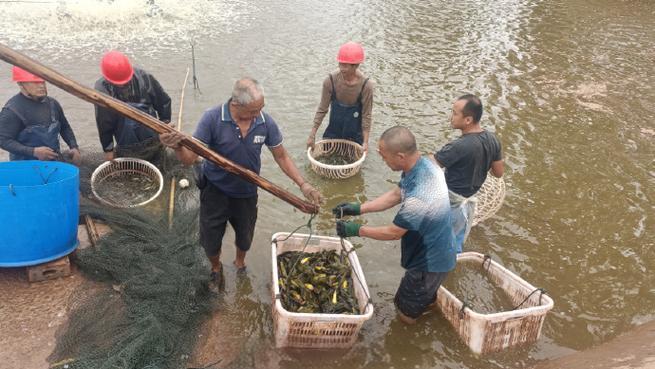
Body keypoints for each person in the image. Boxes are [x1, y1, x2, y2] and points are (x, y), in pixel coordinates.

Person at [160, 77, 322, 282]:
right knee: (211, 238)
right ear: (236, 104)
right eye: (253, 111)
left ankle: (240, 262)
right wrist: (177, 146)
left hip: (247, 192)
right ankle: (216, 267)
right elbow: (189, 159)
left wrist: (304, 184)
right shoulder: (211, 119)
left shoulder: (264, 122)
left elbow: (281, 156)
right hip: (215, 190)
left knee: (245, 237)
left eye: (260, 109)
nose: (257, 115)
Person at [334, 126, 456, 324]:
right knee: (425, 299)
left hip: (429, 261)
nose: (383, 161)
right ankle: (433, 318)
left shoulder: (421, 195)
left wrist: (356, 230)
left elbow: (393, 232)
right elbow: (396, 194)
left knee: (405, 311)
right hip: (438, 251)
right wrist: (357, 209)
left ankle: (411, 341)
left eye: (384, 157)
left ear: (400, 156)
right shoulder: (425, 165)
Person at [432, 94, 504, 252]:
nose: (451, 117)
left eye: (455, 113)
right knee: (455, 245)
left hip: (450, 204)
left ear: (468, 120)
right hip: (468, 203)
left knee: (435, 246)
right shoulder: (493, 140)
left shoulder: (458, 146)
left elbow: (429, 166)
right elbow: (498, 173)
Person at [94, 50, 171, 162]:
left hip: (149, 127)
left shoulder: (145, 78)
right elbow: (103, 122)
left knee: (157, 158)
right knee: (130, 161)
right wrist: (108, 149)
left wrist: (165, 127)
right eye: (119, 84)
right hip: (124, 135)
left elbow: (163, 101)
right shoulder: (102, 89)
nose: (123, 85)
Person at [0, 67, 81, 163]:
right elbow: (3, 140)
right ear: (21, 84)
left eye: (43, 82)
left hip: (52, 160)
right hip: (24, 165)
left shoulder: (53, 104)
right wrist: (34, 152)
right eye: (35, 82)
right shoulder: (12, 110)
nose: (41, 86)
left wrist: (73, 146)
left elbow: (64, 127)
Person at [307, 41, 375, 152]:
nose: (341, 68)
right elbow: (322, 109)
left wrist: (365, 142)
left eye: (345, 65)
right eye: (340, 64)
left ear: (356, 66)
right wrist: (312, 134)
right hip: (334, 131)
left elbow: (366, 116)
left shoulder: (366, 86)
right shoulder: (330, 81)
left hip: (355, 135)